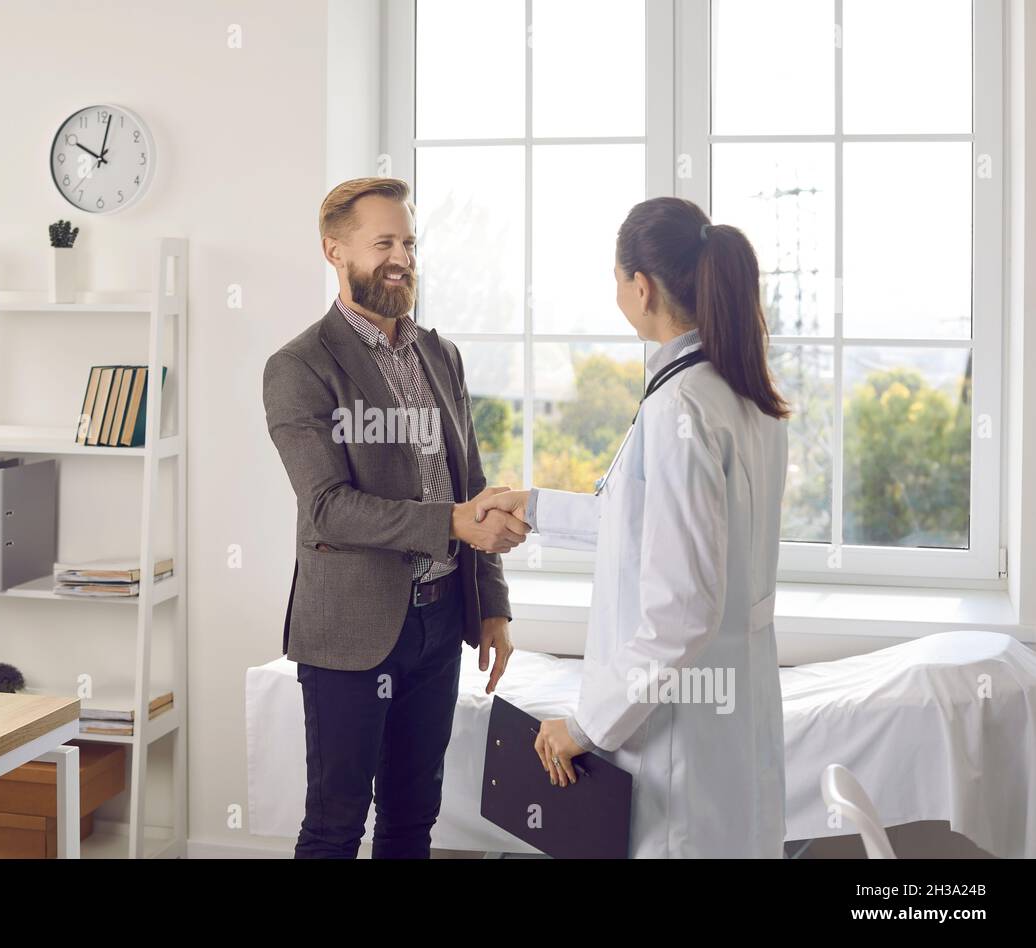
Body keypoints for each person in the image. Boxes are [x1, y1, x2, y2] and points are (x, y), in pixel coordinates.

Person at [476, 196, 791, 857]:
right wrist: (534, 506)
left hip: (679, 736)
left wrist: (587, 726)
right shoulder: (740, 391)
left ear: (640, 288)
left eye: (617, 278)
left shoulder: (682, 407)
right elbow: (652, 525)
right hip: (729, 717)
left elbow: (681, 610)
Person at [263, 177, 529, 858]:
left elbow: (470, 486)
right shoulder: (299, 367)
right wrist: (452, 523)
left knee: (414, 820)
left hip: (440, 621)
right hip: (350, 629)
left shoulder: (440, 355)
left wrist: (491, 604)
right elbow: (327, 508)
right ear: (335, 250)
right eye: (383, 242)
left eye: (408, 241)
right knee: (335, 825)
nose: (401, 257)